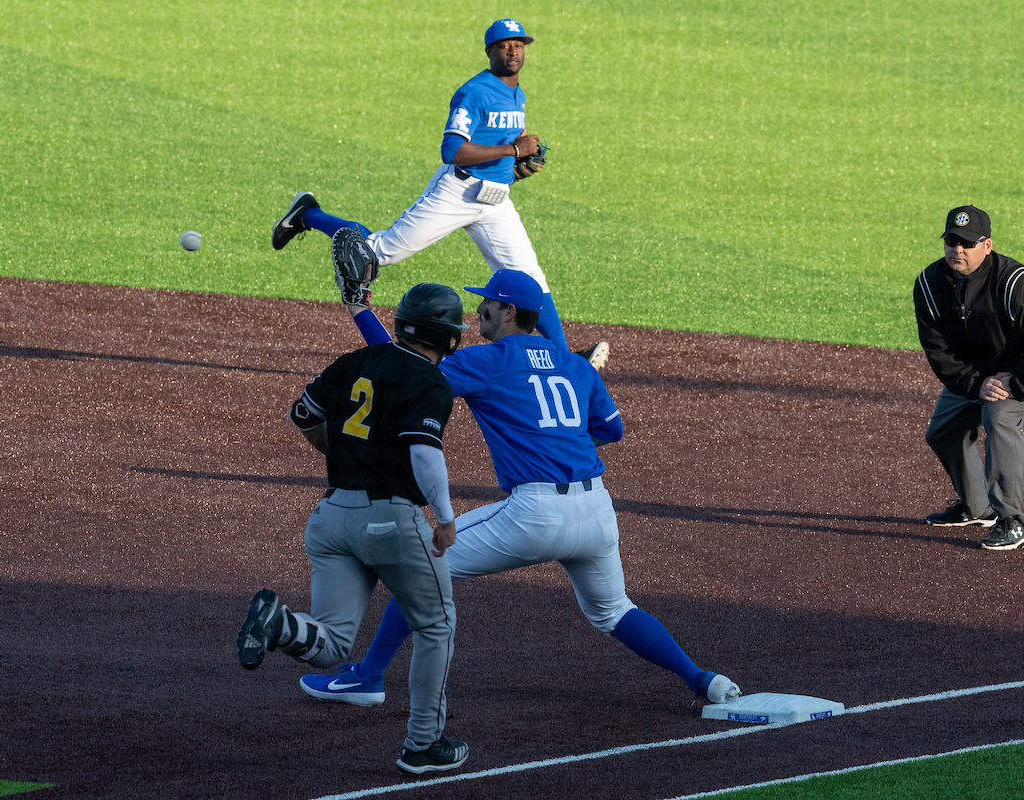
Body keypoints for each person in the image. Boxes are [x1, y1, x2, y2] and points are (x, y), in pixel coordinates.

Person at [297, 269, 742, 711]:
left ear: (509, 311)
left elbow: (403, 368)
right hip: (596, 511)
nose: (477, 310)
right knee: (614, 611)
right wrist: (559, 442)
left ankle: (367, 677)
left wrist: (360, 308)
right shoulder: (572, 363)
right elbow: (612, 428)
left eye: (487, 303)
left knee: (424, 562)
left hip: (535, 514)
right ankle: (703, 681)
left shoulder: (488, 361)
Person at [269, 17, 609, 371]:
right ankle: (308, 213)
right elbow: (452, 151)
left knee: (529, 277)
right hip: (457, 193)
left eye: (519, 45)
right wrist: (513, 150)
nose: (513, 51)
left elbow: (503, 148)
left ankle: (567, 360)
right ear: (489, 51)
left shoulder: (517, 93)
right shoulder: (474, 92)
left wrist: (514, 167)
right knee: (378, 252)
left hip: (495, 204)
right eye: (505, 45)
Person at [235, 283, 471, 775]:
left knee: (333, 645)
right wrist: (445, 518)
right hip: (390, 521)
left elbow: (303, 414)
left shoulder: (351, 363)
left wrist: (339, 453)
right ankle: (423, 744)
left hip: (330, 520)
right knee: (436, 624)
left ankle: (282, 625)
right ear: (449, 337)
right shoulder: (431, 383)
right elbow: (424, 453)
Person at [914, 205, 1024, 550]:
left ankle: (1014, 523)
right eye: (951, 241)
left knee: (997, 417)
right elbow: (938, 351)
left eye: (967, 243)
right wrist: (975, 383)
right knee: (943, 431)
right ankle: (976, 507)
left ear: (987, 245)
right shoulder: (929, 284)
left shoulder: (1015, 282)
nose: (958, 250)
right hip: (975, 375)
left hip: (1021, 372)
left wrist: (1013, 383)